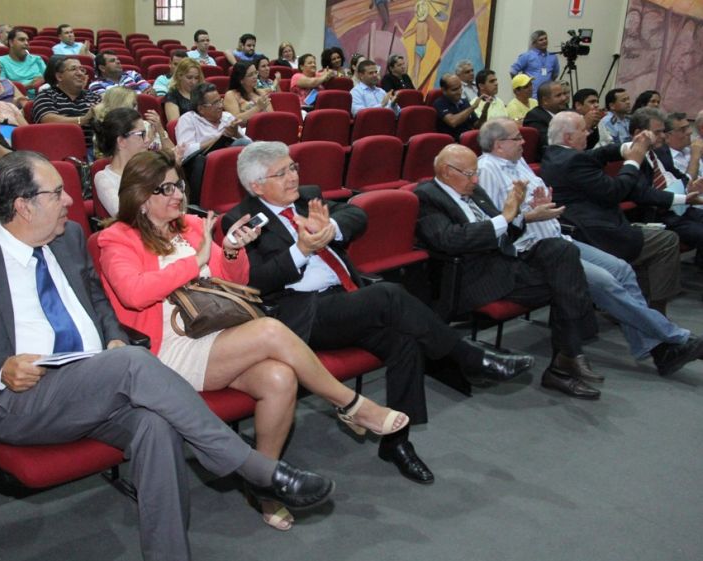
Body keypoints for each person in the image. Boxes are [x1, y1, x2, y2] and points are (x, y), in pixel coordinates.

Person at [0, 150, 335, 561]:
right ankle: (250, 466)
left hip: (99, 383)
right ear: (23, 206)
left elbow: (96, 301)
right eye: (57, 193)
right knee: (132, 362)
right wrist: (0, 367)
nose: (69, 201)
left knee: (155, 425)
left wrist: (113, 336)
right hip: (25, 398)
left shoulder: (68, 238)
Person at [97, 149, 405, 530]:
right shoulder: (115, 238)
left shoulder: (193, 225)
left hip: (218, 332)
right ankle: (351, 405)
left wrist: (230, 250)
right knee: (273, 330)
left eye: (179, 184)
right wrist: (194, 262)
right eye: (166, 188)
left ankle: (263, 485)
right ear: (141, 197)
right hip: (167, 351)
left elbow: (236, 282)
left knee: (280, 378)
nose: (178, 194)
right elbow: (134, 293)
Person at [224, 141, 535, 484]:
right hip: (303, 317)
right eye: (281, 173)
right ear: (256, 186)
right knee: (389, 294)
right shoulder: (240, 220)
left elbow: (356, 214)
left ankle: (397, 442)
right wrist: (301, 249)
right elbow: (255, 280)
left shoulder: (306, 197)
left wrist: (331, 230)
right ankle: (469, 357)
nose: (292, 177)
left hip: (346, 301)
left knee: (404, 341)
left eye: (293, 167)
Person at [477, 118, 703, 376]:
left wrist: (539, 206)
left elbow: (530, 203)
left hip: (560, 239)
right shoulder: (487, 171)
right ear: (498, 145)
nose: (523, 141)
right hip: (535, 251)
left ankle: (659, 349)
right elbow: (493, 223)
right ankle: (675, 339)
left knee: (622, 270)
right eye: (517, 138)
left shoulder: (518, 164)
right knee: (606, 282)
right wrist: (528, 215)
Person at [416, 143, 603, 398]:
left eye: (476, 173)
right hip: (475, 277)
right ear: (447, 172)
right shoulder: (427, 196)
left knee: (561, 250)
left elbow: (506, 230)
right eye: (470, 173)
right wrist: (505, 217)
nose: (476, 179)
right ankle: (566, 359)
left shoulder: (474, 190)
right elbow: (449, 240)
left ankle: (567, 357)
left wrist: (521, 217)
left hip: (506, 263)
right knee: (565, 283)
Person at [540, 111, 685, 315]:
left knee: (653, 242)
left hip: (590, 223)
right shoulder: (573, 161)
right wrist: (633, 160)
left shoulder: (555, 154)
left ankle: (636, 306)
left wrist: (628, 146)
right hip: (597, 232)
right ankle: (654, 312)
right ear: (568, 137)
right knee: (667, 241)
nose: (589, 133)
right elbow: (615, 192)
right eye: (584, 130)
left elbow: (598, 154)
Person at [627, 108, 703, 271]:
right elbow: (644, 194)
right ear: (639, 133)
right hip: (659, 214)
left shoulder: (658, 153)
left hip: (680, 207)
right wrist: (683, 198)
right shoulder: (630, 158)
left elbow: (676, 176)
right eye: (658, 132)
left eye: (663, 131)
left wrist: (689, 184)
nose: (663, 135)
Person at [93, 107, 173, 217]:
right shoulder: (104, 178)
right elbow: (124, 215)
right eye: (141, 134)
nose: (147, 140)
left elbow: (177, 202)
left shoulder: (150, 167)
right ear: (121, 141)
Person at [32, 56, 101, 152]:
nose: (80, 73)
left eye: (82, 70)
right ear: (59, 77)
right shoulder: (46, 95)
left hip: (94, 150)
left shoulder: (94, 97)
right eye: (73, 69)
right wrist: (84, 119)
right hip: (59, 150)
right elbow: (47, 120)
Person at [175, 83, 249, 160]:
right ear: (201, 109)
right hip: (206, 163)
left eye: (220, 101)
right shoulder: (188, 119)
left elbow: (249, 142)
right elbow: (184, 151)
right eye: (215, 103)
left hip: (233, 159)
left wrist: (236, 134)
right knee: (241, 143)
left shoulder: (227, 117)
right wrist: (219, 139)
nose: (221, 106)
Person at [523, 80, 569, 156]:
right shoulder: (535, 117)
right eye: (558, 95)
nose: (564, 98)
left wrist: (589, 127)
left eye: (564, 94)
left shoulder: (569, 112)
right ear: (545, 100)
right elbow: (549, 145)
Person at [0, 28, 47, 95]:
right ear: (11, 42)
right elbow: (2, 88)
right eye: (22, 40)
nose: (26, 43)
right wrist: (27, 86)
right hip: (15, 100)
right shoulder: (0, 61)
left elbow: (50, 80)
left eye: (27, 40)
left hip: (40, 97)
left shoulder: (37, 59)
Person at [510, 30, 559, 97]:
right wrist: (521, 87)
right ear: (534, 43)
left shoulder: (553, 57)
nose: (544, 41)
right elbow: (513, 71)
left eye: (545, 38)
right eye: (541, 40)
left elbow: (555, 75)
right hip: (531, 96)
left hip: (547, 96)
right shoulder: (527, 56)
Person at [434, 73, 480, 140]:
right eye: (455, 89)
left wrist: (485, 112)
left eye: (460, 87)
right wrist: (472, 107)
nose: (459, 92)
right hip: (451, 143)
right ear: (444, 90)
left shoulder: (465, 102)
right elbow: (453, 122)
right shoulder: (440, 103)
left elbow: (477, 125)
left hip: (468, 141)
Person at [665, 111, 703, 182]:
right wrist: (695, 157)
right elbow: (687, 185)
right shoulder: (668, 160)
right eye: (683, 129)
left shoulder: (688, 149)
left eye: (688, 127)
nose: (690, 132)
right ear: (667, 137)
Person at [163, 58, 204, 122]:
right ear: (180, 76)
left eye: (196, 78)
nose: (193, 82)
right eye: (189, 77)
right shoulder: (172, 96)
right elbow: (175, 126)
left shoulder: (202, 93)